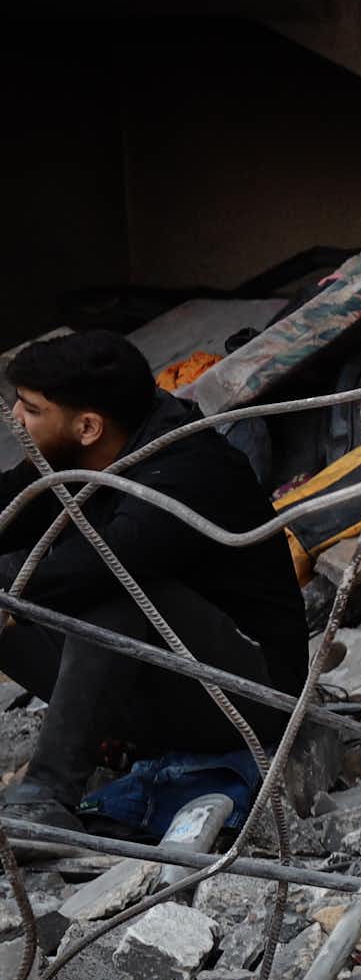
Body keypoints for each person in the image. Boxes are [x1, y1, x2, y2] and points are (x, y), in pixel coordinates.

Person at [0, 331, 304, 833]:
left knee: (111, 590)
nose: (15, 417)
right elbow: (13, 508)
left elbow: (103, 567)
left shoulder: (187, 470)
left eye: (31, 409)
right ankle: (109, 743)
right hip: (163, 692)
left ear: (88, 426)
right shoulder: (86, 451)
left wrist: (17, 598)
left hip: (249, 698)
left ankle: (48, 794)